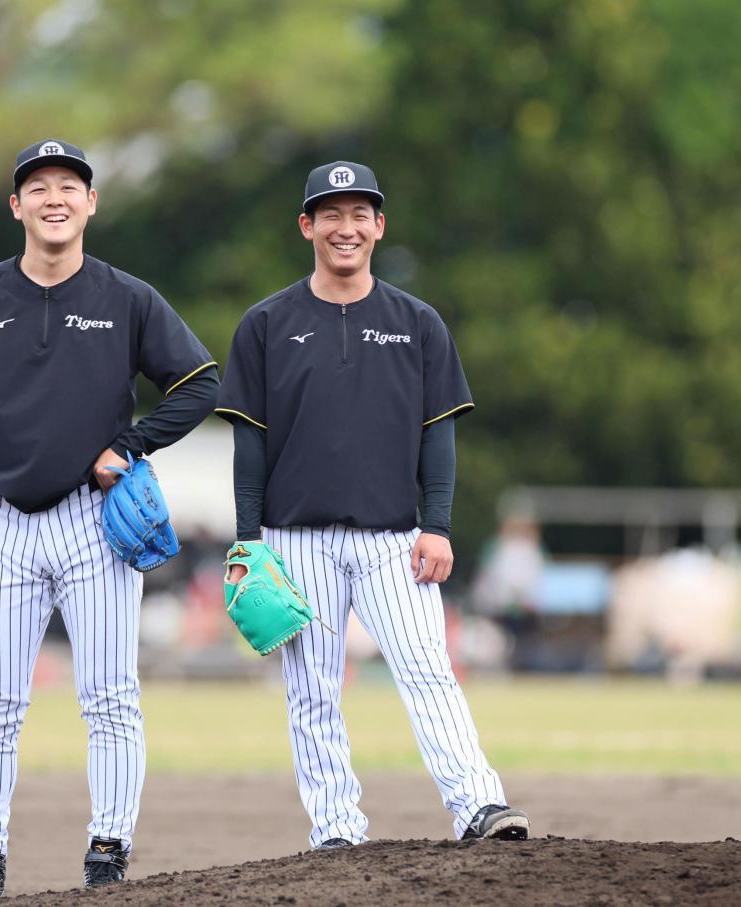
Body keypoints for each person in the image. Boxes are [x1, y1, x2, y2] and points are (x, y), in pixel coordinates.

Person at [0, 139, 218, 903]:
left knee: (110, 698)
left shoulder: (126, 297)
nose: (54, 198)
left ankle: (108, 859)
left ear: (91, 203)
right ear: (17, 207)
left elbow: (200, 382)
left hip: (92, 520)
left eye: (69, 185)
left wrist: (129, 446)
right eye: (37, 186)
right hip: (1, 524)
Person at [216, 161, 529, 848]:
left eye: (360, 213)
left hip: (394, 539)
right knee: (312, 691)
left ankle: (478, 804)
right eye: (331, 213)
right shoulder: (265, 323)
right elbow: (249, 441)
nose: (346, 227)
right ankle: (335, 828)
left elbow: (437, 433)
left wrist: (437, 525)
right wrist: (247, 540)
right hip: (294, 537)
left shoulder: (417, 322)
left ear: (379, 226)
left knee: (428, 671)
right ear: (307, 225)